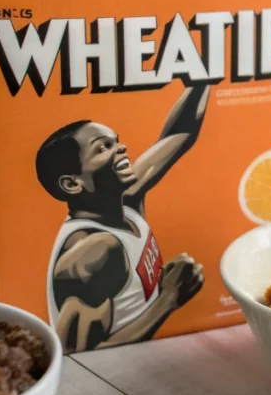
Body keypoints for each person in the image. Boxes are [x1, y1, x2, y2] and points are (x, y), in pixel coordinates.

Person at [37, 85, 209, 353]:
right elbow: (78, 357)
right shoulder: (92, 253)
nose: (122, 148)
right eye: (103, 148)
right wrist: (168, 298)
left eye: (116, 140)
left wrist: (204, 77)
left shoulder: (125, 201)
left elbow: (180, 133)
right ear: (73, 183)